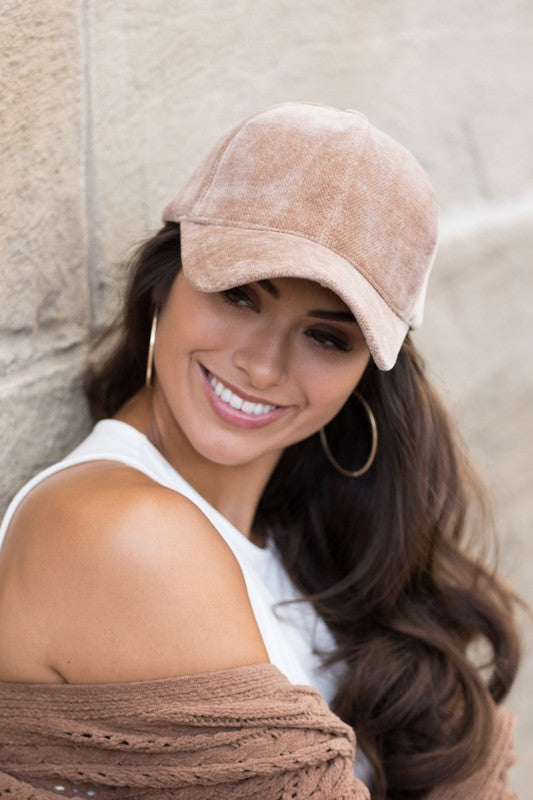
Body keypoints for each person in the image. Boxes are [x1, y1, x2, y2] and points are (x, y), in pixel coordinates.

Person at [0, 102, 521, 799]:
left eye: (326, 337)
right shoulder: (118, 533)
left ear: (367, 375)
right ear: (164, 280)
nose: (264, 366)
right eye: (241, 295)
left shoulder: (310, 540)